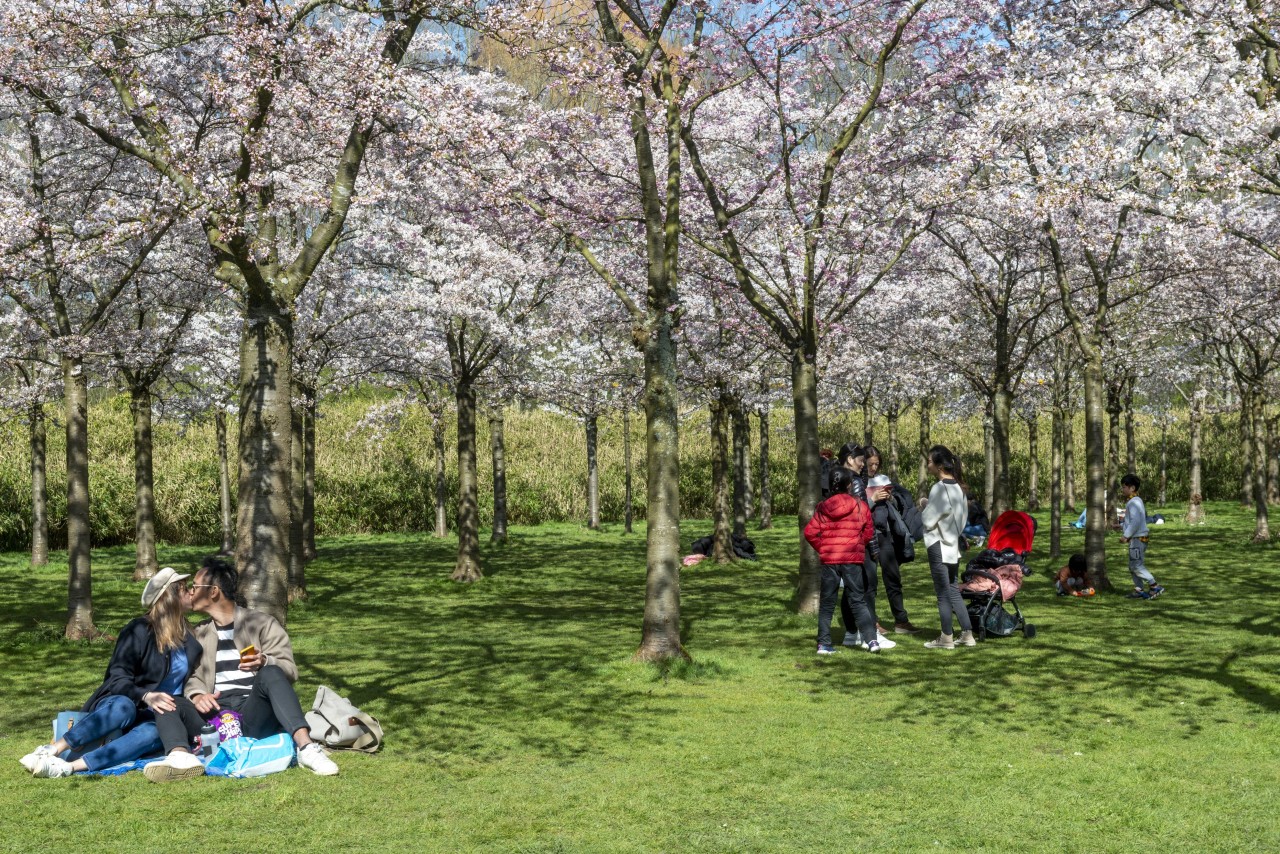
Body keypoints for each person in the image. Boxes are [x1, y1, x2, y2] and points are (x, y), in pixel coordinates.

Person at [21, 567, 205, 780]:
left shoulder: (191, 640)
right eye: (185, 589)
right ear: (171, 596)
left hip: (161, 714)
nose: (191, 592)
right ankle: (52, 749)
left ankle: (67, 768)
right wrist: (145, 695)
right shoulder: (138, 630)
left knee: (152, 733)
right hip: (125, 703)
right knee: (123, 707)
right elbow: (117, 679)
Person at [185, 556, 339, 775]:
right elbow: (190, 675)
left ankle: (306, 748)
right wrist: (197, 694)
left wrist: (265, 660)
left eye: (195, 586)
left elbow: (290, 670)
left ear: (213, 591)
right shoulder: (198, 633)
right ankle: (178, 754)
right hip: (215, 717)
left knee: (271, 672)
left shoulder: (261, 624)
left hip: (252, 713)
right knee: (169, 702)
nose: (191, 592)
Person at [804, 468, 880, 654]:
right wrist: (857, 544)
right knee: (858, 600)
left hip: (830, 559)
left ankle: (823, 644)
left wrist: (823, 548)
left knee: (827, 603)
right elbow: (868, 531)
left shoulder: (822, 507)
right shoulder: (861, 506)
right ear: (849, 485)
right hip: (851, 559)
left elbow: (810, 532)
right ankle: (871, 641)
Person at [920, 445, 976, 649]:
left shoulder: (940, 488)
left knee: (943, 593)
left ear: (938, 464)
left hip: (939, 545)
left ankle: (946, 637)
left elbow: (928, 520)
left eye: (929, 461)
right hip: (954, 545)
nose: (927, 465)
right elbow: (960, 519)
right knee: (953, 590)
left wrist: (924, 504)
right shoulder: (959, 489)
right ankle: (967, 634)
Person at [865, 470, 922, 635]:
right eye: (870, 463)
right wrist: (872, 499)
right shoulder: (857, 482)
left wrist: (890, 498)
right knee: (870, 581)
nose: (873, 467)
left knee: (893, 579)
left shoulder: (884, 480)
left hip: (887, 535)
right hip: (868, 534)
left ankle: (901, 621)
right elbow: (856, 510)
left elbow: (899, 507)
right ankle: (872, 621)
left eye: (877, 464)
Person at [1120, 474, 1165, 599]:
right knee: (1133, 565)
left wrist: (1125, 536)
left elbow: (1135, 522)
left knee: (1136, 566)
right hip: (1137, 538)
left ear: (1132, 487)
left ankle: (1155, 586)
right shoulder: (1134, 501)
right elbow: (1134, 521)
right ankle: (1139, 590)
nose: (1122, 489)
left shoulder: (1134, 502)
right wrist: (1120, 526)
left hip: (1137, 540)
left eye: (1124, 487)